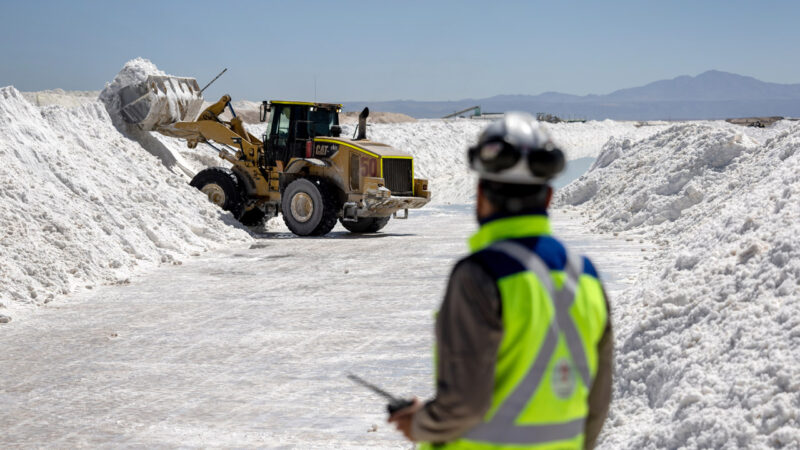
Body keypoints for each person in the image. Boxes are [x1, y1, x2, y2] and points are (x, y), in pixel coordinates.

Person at [389, 112, 613, 449]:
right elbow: (597, 404)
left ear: (480, 196)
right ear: (548, 198)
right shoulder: (587, 276)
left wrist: (420, 423)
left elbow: (465, 405)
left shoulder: (479, 277)